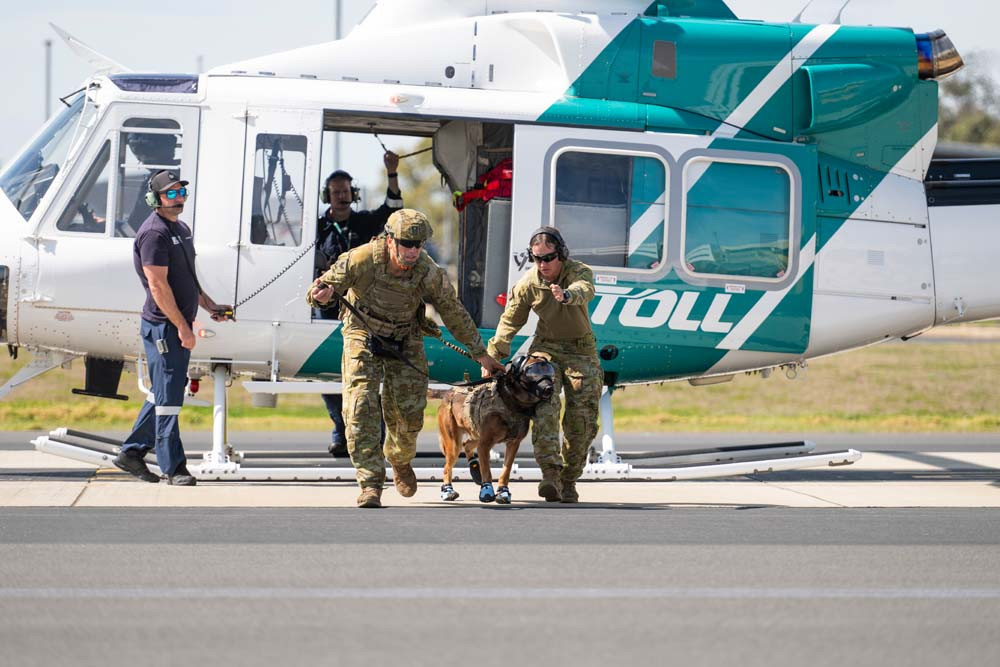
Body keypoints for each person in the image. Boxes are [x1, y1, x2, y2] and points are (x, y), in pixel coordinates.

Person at [308, 209, 505, 508]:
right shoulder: (361, 260)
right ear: (390, 240)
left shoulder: (428, 271)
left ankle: (399, 460)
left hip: (404, 335)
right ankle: (371, 483)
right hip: (363, 332)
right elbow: (320, 289)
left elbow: (453, 312)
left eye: (419, 244)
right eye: (406, 243)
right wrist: (321, 295)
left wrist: (481, 354)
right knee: (359, 407)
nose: (413, 250)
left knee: (410, 415)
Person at [113, 170, 233, 486]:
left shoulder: (181, 229)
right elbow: (158, 285)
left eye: (182, 193)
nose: (178, 199)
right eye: (171, 194)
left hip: (175, 325)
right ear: (155, 199)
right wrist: (183, 327)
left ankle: (132, 452)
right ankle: (173, 468)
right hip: (163, 327)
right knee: (169, 398)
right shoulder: (154, 234)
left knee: (167, 392)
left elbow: (187, 279)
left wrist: (210, 306)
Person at [485, 226, 603, 503]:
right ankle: (550, 476)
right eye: (536, 258)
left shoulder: (577, 271)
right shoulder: (529, 283)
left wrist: (567, 295)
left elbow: (585, 289)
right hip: (546, 348)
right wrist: (493, 355)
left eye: (548, 258)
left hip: (581, 351)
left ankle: (569, 479)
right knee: (546, 409)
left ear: (560, 254)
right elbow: (510, 321)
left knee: (581, 420)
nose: (542, 264)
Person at [315, 152, 402, 457]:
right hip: (327, 310)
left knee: (367, 369)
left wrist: (392, 173)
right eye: (336, 192)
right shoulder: (317, 229)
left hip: (363, 309)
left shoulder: (364, 222)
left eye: (346, 191)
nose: (341, 196)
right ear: (328, 195)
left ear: (354, 194)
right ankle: (340, 429)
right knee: (328, 372)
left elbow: (394, 209)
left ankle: (373, 431)